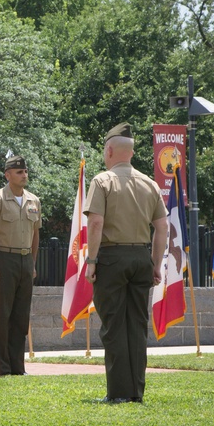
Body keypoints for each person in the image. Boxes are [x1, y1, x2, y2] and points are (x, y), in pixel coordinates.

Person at [84, 123, 168, 404]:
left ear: (109, 150)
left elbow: (95, 223)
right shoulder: (150, 184)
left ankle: (118, 393)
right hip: (141, 257)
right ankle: (136, 392)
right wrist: (155, 264)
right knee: (136, 325)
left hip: (111, 258)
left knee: (113, 325)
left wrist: (92, 261)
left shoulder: (101, 181)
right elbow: (162, 228)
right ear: (131, 152)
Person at [0, 155, 42, 376]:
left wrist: (32, 263)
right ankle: (4, 368)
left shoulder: (33, 200)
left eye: (25, 171)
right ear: (8, 175)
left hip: (25, 260)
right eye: (19, 172)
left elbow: (35, 234)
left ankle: (18, 367)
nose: (24, 175)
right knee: (3, 316)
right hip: (5, 259)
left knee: (21, 317)